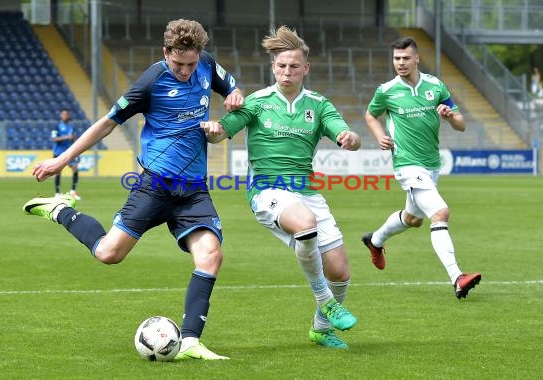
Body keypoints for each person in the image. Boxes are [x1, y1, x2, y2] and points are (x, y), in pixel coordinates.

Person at [22, 19, 244, 360]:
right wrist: (62, 160)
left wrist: (234, 96)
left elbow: (232, 88)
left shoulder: (207, 64)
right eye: (179, 63)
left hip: (194, 190)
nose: (186, 70)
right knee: (108, 254)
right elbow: (106, 124)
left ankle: (189, 342)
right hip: (155, 185)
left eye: (191, 64)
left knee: (211, 255)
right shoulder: (150, 83)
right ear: (165, 52)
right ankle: (59, 209)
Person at [200, 26, 361, 349]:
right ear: (273, 67)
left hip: (306, 191)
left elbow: (347, 135)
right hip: (266, 191)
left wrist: (350, 139)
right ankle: (324, 299)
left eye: (294, 66)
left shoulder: (319, 105)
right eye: (281, 66)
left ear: (306, 68)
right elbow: (221, 133)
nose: (287, 72)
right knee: (305, 225)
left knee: (341, 271)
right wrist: (213, 128)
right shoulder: (257, 102)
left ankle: (320, 328)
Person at [361, 37, 481, 299]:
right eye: (396, 58)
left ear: (416, 58)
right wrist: (379, 134)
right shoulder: (387, 90)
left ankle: (375, 241)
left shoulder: (435, 85)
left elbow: (461, 124)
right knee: (440, 212)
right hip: (406, 163)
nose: (400, 63)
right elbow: (371, 114)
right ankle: (457, 277)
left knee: (413, 218)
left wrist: (450, 117)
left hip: (431, 164)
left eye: (405, 58)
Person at [52, 109, 81, 200]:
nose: (65, 116)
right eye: (63, 114)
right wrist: (67, 137)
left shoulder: (70, 127)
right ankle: (57, 193)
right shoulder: (57, 126)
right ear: (61, 115)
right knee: (58, 172)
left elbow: (72, 138)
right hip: (59, 153)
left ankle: (72, 191)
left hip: (69, 153)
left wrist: (75, 141)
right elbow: (54, 139)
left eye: (66, 114)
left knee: (75, 169)